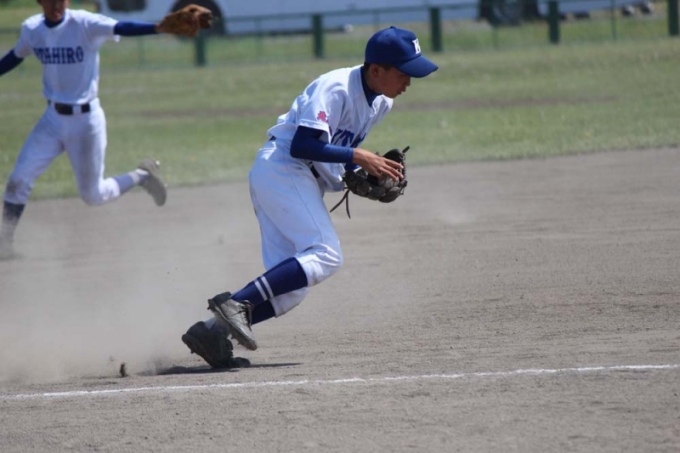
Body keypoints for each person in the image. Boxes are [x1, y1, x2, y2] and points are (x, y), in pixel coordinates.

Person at [181, 26, 438, 368]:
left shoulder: (381, 103)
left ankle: (211, 334)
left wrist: (362, 173)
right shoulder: (336, 87)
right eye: (404, 73)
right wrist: (359, 157)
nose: (409, 82)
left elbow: (336, 147)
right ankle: (233, 305)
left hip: (298, 179)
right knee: (326, 254)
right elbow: (303, 145)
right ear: (377, 70)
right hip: (283, 169)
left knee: (291, 289)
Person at [0, 0, 177, 260]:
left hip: (86, 121)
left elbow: (122, 26)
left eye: (61, 0)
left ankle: (143, 175)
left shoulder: (84, 23)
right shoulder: (32, 29)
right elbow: (15, 56)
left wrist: (157, 28)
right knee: (18, 180)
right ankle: (4, 245)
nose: (56, 5)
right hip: (52, 120)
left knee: (94, 196)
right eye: (50, 0)